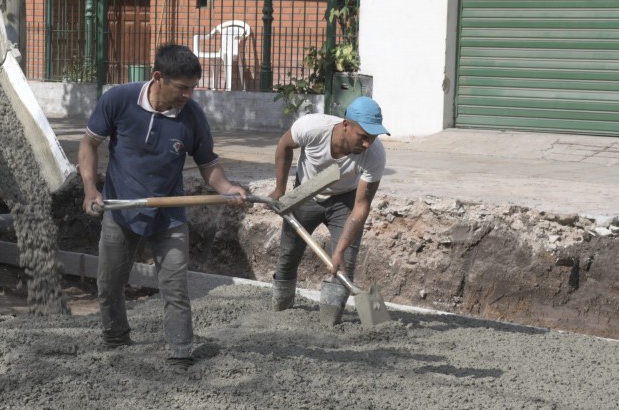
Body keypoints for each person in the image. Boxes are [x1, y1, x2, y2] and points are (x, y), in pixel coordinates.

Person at [78, 44, 246, 368]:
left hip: (168, 214)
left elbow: (208, 164)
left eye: (193, 88)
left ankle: (180, 354)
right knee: (109, 283)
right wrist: (89, 189)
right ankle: (116, 339)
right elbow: (89, 143)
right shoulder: (119, 100)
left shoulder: (193, 117)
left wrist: (227, 188)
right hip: (119, 207)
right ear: (158, 77)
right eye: (182, 88)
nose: (188, 95)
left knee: (175, 285)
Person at [268, 96, 389, 324]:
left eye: (373, 138)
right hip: (306, 192)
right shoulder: (312, 128)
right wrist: (279, 190)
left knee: (343, 264)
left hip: (345, 201)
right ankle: (279, 313)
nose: (367, 144)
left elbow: (361, 206)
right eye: (363, 136)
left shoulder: (375, 155)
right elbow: (284, 146)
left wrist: (340, 249)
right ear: (346, 125)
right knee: (287, 256)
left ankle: (329, 324)